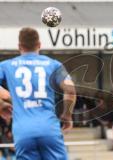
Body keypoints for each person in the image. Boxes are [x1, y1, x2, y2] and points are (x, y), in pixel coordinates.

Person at [0, 27, 76, 159]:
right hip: (49, 129)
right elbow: (70, 90)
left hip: (23, 131)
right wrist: (67, 116)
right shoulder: (53, 65)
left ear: (19, 46)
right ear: (39, 45)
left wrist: (1, 104)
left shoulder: (7, 65)